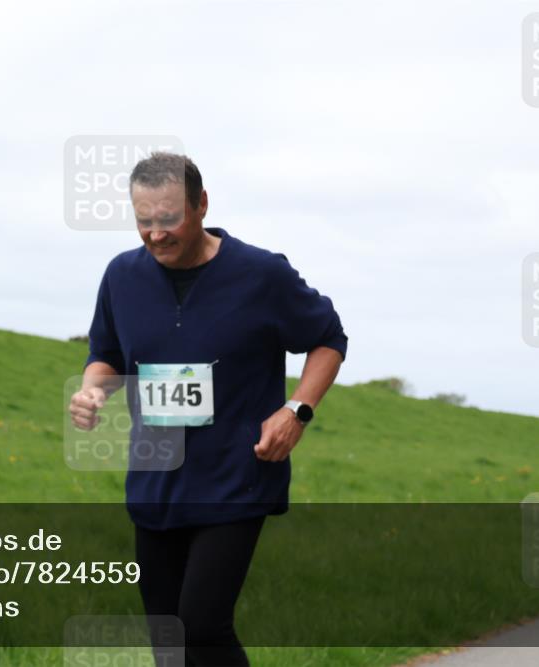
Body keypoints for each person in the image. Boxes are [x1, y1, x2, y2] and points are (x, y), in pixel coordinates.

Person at [69, 152, 348, 666]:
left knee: (200, 627)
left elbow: (328, 339)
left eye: (169, 219)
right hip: (155, 478)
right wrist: (92, 391)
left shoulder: (261, 274)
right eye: (144, 221)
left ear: (201, 205)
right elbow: (104, 355)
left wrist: (296, 411)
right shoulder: (121, 277)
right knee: (168, 639)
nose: (156, 235)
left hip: (235, 477)